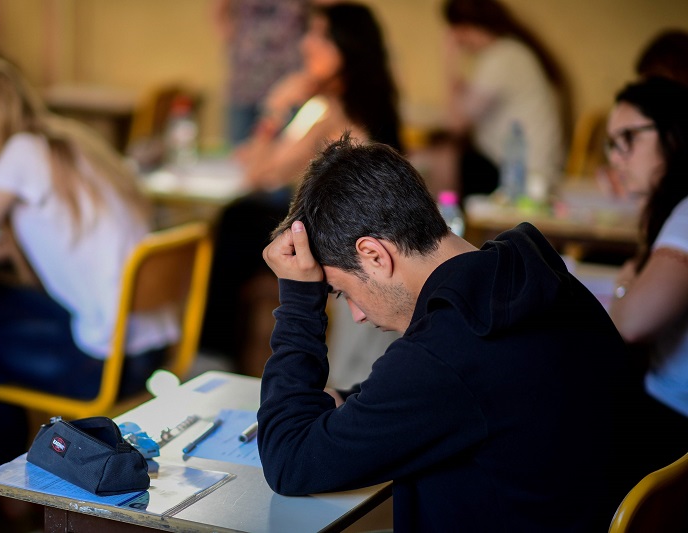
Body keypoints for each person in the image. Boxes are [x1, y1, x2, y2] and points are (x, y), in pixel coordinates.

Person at [259, 134, 636, 531]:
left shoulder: (444, 351)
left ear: (374, 255)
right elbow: (461, 394)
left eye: (342, 292)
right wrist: (356, 405)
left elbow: (289, 462)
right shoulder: (531, 272)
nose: (356, 315)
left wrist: (300, 299)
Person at [0, 54, 176, 513]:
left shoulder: (21, 151)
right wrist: (3, 247)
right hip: (147, 346)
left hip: (107, 362)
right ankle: (6, 501)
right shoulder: (70, 140)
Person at [200, 2, 403, 374]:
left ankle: (212, 355)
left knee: (235, 221)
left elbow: (260, 172)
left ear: (345, 48)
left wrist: (275, 109)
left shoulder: (330, 109)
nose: (306, 44)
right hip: (364, 229)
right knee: (243, 220)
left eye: (318, 36)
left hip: (339, 234)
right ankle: (220, 353)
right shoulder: (373, 103)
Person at [607, 77, 688, 476]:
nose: (617, 157)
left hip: (673, 427)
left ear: (673, 136)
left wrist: (625, 283)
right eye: (611, 144)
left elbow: (630, 325)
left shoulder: (686, 216)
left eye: (629, 138)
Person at [426, 0, 568, 201]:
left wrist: (450, 61)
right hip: (525, 168)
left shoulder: (500, 58)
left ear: (463, 29)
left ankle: (443, 225)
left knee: (442, 158)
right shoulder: (512, 52)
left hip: (522, 175)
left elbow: (455, 124)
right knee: (442, 156)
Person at [212, 0, 309, 146]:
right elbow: (218, 10)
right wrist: (233, 40)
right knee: (241, 152)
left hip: (288, 82)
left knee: (289, 152)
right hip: (245, 82)